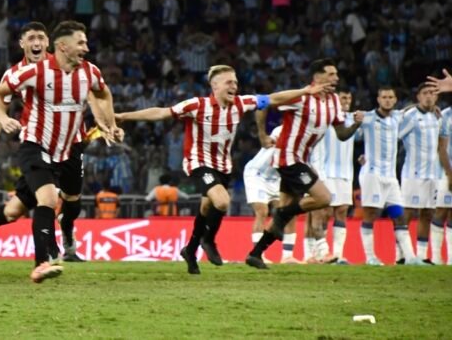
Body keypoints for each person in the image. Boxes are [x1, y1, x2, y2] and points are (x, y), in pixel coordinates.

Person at [116, 64, 331, 274]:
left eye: (236, 82)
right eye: (229, 82)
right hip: (198, 163)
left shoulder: (241, 103)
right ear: (215, 86)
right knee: (222, 201)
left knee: (206, 209)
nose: (234, 86)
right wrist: (124, 116)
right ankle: (208, 241)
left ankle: (190, 251)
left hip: (223, 166)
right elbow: (161, 113)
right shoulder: (197, 105)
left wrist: (304, 91)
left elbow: (273, 98)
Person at [0, 20, 119, 283]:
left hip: (71, 145)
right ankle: (44, 259)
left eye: (41, 38)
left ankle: (66, 232)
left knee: (54, 204)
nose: (36, 43)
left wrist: (107, 123)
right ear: (22, 44)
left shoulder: (82, 70)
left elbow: (97, 94)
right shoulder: (27, 73)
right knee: (47, 198)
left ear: (49, 43)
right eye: (31, 38)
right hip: (37, 144)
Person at [246, 58, 364, 270]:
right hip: (287, 158)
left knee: (285, 212)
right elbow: (263, 103)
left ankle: (255, 254)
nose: (336, 78)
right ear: (317, 77)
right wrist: (262, 136)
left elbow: (342, 134)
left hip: (301, 159)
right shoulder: (300, 97)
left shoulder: (334, 101)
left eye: (336, 74)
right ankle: (283, 215)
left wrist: (355, 124)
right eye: (331, 74)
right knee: (324, 198)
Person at [357, 87, 421, 265]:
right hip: (372, 175)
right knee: (371, 214)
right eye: (384, 97)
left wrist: (428, 106)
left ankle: (410, 258)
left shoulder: (397, 117)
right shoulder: (368, 118)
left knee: (399, 215)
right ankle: (370, 257)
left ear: (395, 100)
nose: (387, 100)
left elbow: (411, 109)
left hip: (391, 178)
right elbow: (352, 133)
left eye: (390, 97)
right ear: (378, 99)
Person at [305, 87, 357, 264]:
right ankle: (317, 253)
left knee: (341, 211)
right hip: (323, 171)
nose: (346, 101)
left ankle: (337, 255)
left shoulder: (354, 119)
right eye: (343, 97)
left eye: (349, 98)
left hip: (345, 173)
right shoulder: (325, 118)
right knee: (322, 212)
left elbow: (390, 114)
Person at [244, 126, 302, 264]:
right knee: (262, 211)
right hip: (257, 174)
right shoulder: (282, 129)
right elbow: (270, 143)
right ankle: (258, 254)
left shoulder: (307, 134)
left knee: (289, 213)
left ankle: (287, 256)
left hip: (278, 177)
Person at [398, 82, 440, 264]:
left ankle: (422, 256)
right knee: (407, 213)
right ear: (418, 97)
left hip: (433, 174)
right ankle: (400, 255)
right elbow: (395, 135)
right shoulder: (410, 116)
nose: (429, 96)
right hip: (412, 173)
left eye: (432, 93)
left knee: (427, 213)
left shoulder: (438, 117)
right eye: (425, 93)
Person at [433, 105, 452, 265]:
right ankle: (436, 257)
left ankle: (451, 258)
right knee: (441, 211)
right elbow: (442, 148)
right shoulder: (445, 115)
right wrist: (449, 173)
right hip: (444, 173)